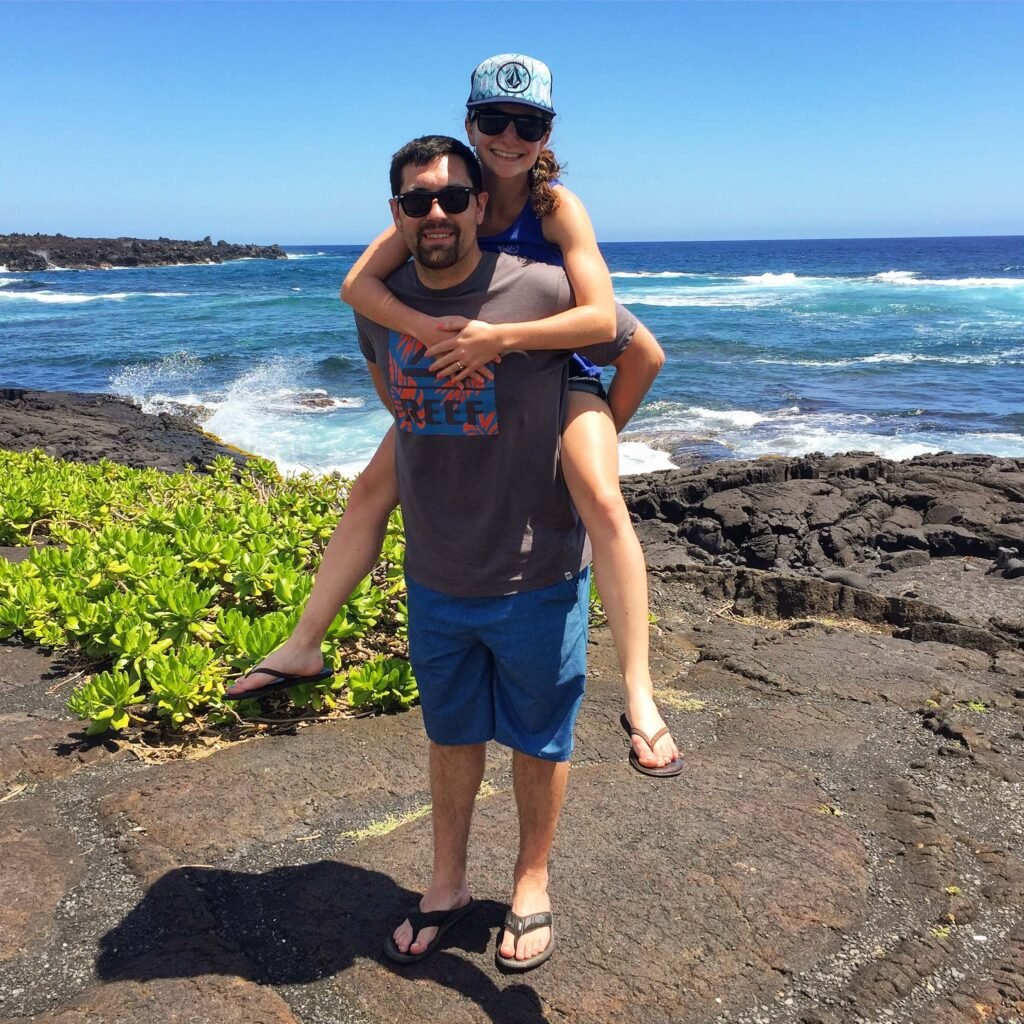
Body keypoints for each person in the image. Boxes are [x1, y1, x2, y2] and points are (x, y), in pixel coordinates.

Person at [228, 53, 682, 779]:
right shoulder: (445, 191)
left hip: (562, 373)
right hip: (470, 385)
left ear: (546, 133)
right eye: (493, 121)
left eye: (527, 123)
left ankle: (639, 693)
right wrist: (424, 331)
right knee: (371, 490)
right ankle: (304, 642)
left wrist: (553, 414)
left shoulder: (553, 205)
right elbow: (357, 285)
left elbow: (607, 321)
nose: (509, 136)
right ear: (470, 123)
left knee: (599, 495)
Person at [356, 134, 632, 969]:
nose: (434, 212)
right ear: (397, 212)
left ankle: (532, 881)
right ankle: (445, 883)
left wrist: (591, 429)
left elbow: (627, 339)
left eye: (450, 199)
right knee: (451, 735)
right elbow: (402, 411)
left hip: (537, 568)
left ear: (480, 203)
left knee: (540, 740)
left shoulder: (545, 283)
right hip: (439, 571)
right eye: (416, 202)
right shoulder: (380, 299)